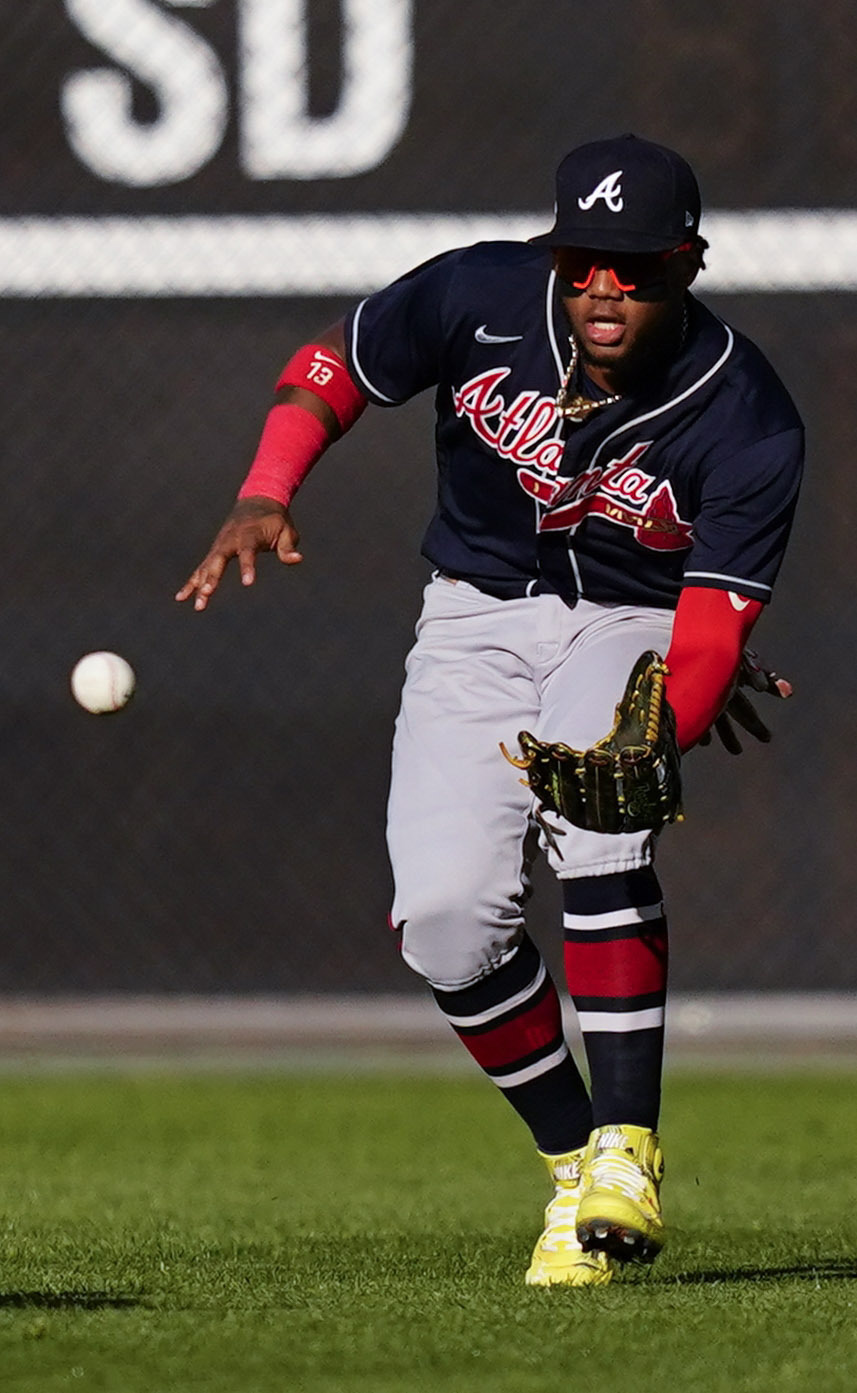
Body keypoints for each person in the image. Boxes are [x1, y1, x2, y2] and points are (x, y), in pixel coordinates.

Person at [176, 136, 803, 1286]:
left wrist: (669, 718)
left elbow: (710, 621)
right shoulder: (478, 294)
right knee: (445, 920)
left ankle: (626, 1148)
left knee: (605, 820)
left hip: (625, 618)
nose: (605, 286)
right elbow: (332, 366)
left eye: (637, 266)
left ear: (689, 261)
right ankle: (573, 1167)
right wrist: (265, 490)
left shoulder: (746, 414)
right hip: (468, 620)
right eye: (585, 259)